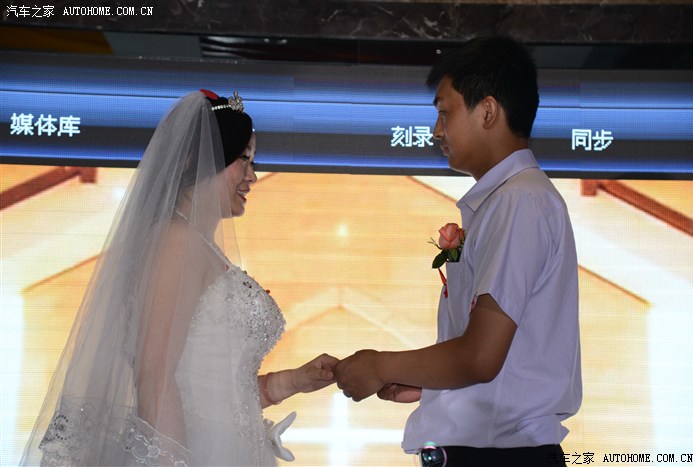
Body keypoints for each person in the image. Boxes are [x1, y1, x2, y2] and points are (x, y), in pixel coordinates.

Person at [21, 90, 337, 466]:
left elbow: (212, 392)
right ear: (200, 160)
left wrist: (291, 381)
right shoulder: (176, 241)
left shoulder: (198, 245)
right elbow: (154, 377)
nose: (252, 176)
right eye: (244, 159)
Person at [334, 36, 582, 466]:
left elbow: (480, 357)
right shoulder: (507, 199)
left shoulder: (519, 201)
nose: (436, 131)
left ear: (487, 111)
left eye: (444, 112)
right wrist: (427, 381)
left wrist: (380, 365)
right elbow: (504, 359)